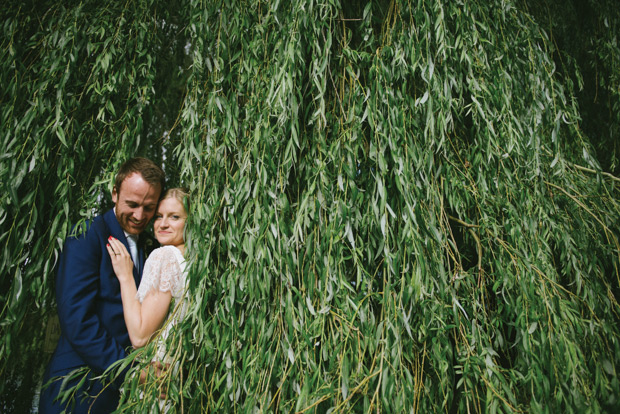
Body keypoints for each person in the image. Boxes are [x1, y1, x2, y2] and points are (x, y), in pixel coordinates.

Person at [40, 157, 165, 414]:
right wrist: (130, 371)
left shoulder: (152, 248)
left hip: (124, 396)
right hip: (79, 388)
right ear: (115, 193)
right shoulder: (88, 235)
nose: (139, 215)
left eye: (149, 207)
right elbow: (77, 320)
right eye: (132, 204)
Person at [106, 188, 190, 410]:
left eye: (174, 217)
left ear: (191, 222)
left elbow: (141, 336)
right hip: (174, 381)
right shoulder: (193, 263)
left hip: (153, 378)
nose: (162, 224)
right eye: (159, 216)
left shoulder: (165, 256)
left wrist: (125, 276)